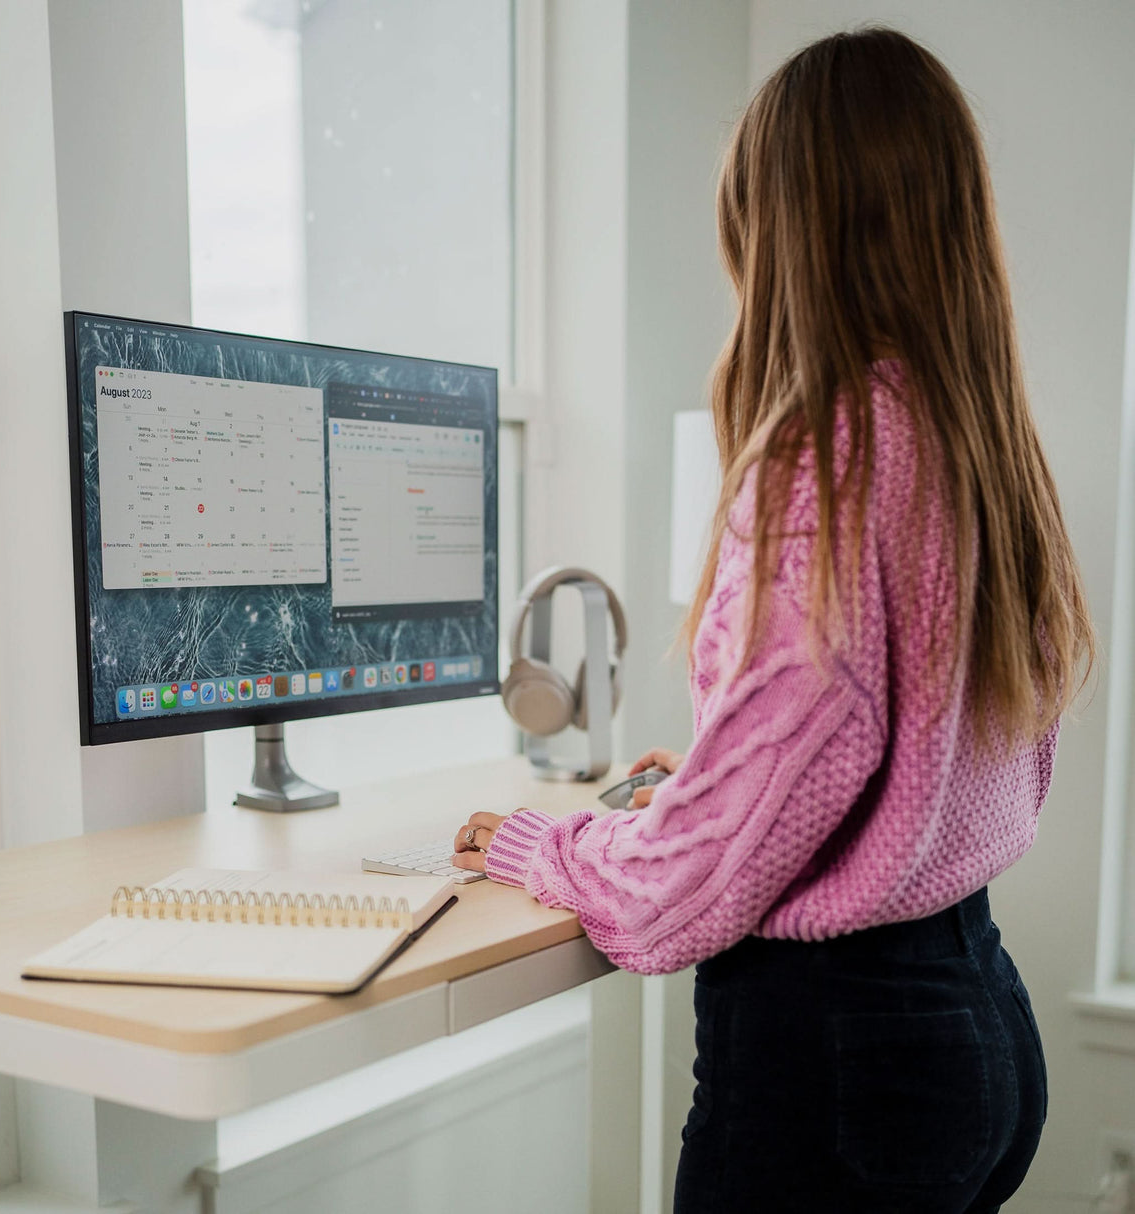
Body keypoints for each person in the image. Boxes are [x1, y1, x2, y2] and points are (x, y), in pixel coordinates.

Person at [452, 26, 1093, 1214]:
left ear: (781, 228)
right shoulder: (980, 445)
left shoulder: (824, 460)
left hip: (838, 1067)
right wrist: (713, 773)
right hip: (974, 1026)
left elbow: (668, 900)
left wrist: (537, 845)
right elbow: (903, 750)